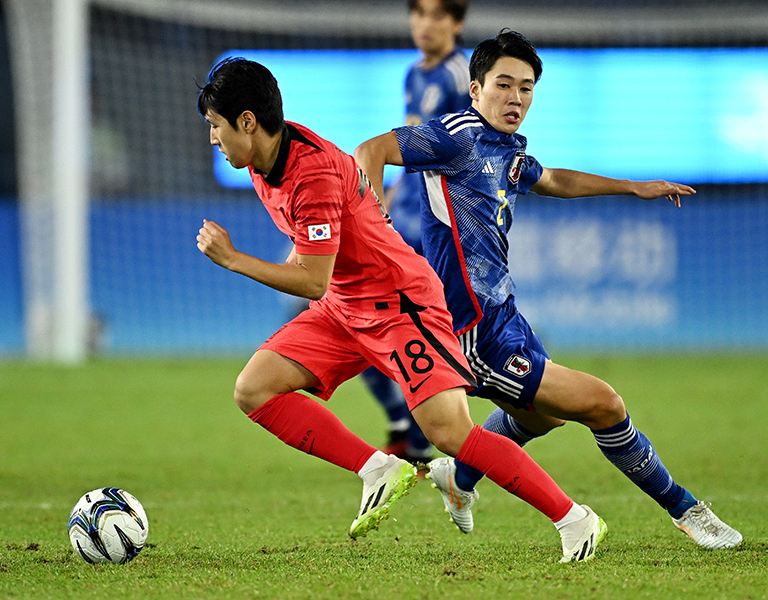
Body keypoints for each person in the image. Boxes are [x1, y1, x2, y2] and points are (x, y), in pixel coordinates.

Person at [195, 56, 607, 562]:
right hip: (346, 306)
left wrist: (234, 259)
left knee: (449, 433)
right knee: (254, 388)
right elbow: (314, 263)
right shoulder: (266, 163)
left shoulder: (310, 173)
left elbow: (311, 281)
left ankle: (575, 519)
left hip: (400, 305)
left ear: (247, 122)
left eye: (215, 125)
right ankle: (378, 468)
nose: (212, 138)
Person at [354, 30, 743, 550]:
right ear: (475, 89)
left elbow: (554, 179)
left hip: (504, 314)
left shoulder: (506, 148)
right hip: (471, 330)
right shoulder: (454, 137)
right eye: (503, 85)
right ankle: (688, 512)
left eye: (526, 88)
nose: (515, 97)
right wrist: (374, 227)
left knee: (547, 417)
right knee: (604, 405)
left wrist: (633, 187)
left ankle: (459, 477)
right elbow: (370, 150)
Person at [368, 0, 472, 465]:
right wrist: (386, 202)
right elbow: (405, 152)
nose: (424, 24)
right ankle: (406, 428)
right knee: (351, 315)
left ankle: (424, 437)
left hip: (435, 228)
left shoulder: (461, 76)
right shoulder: (413, 75)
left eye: (436, 14)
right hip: (399, 220)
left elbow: (478, 152)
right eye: (418, 13)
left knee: (419, 336)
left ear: (456, 22)